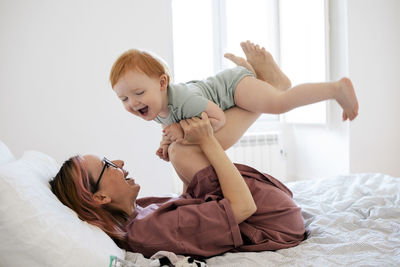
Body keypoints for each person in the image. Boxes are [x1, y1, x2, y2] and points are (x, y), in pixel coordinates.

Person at [49, 111, 306, 258]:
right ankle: (263, 100)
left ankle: (262, 98)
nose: (119, 161)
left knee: (179, 150)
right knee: (184, 149)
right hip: (273, 220)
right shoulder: (150, 230)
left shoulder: (138, 213)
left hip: (269, 209)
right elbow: (242, 208)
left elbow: (190, 207)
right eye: (107, 164)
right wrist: (207, 142)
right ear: (100, 198)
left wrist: (179, 162)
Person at [109, 41, 359, 158]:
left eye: (139, 94)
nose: (133, 103)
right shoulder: (155, 109)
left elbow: (217, 118)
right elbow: (171, 128)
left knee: (280, 103)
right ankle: (265, 78)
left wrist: (182, 133)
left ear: (163, 83)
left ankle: (336, 89)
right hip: (229, 90)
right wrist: (166, 144)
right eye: (123, 99)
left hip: (234, 86)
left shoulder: (184, 99)